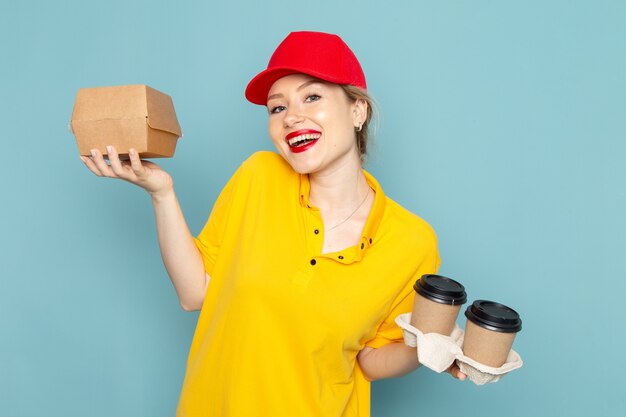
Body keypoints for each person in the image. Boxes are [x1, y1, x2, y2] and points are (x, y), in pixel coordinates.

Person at [80, 31, 465, 417]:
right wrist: (161, 192)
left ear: (357, 111)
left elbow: (368, 359)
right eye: (276, 108)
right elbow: (194, 292)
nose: (291, 117)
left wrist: (424, 347)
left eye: (312, 97)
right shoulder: (259, 177)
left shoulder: (412, 242)